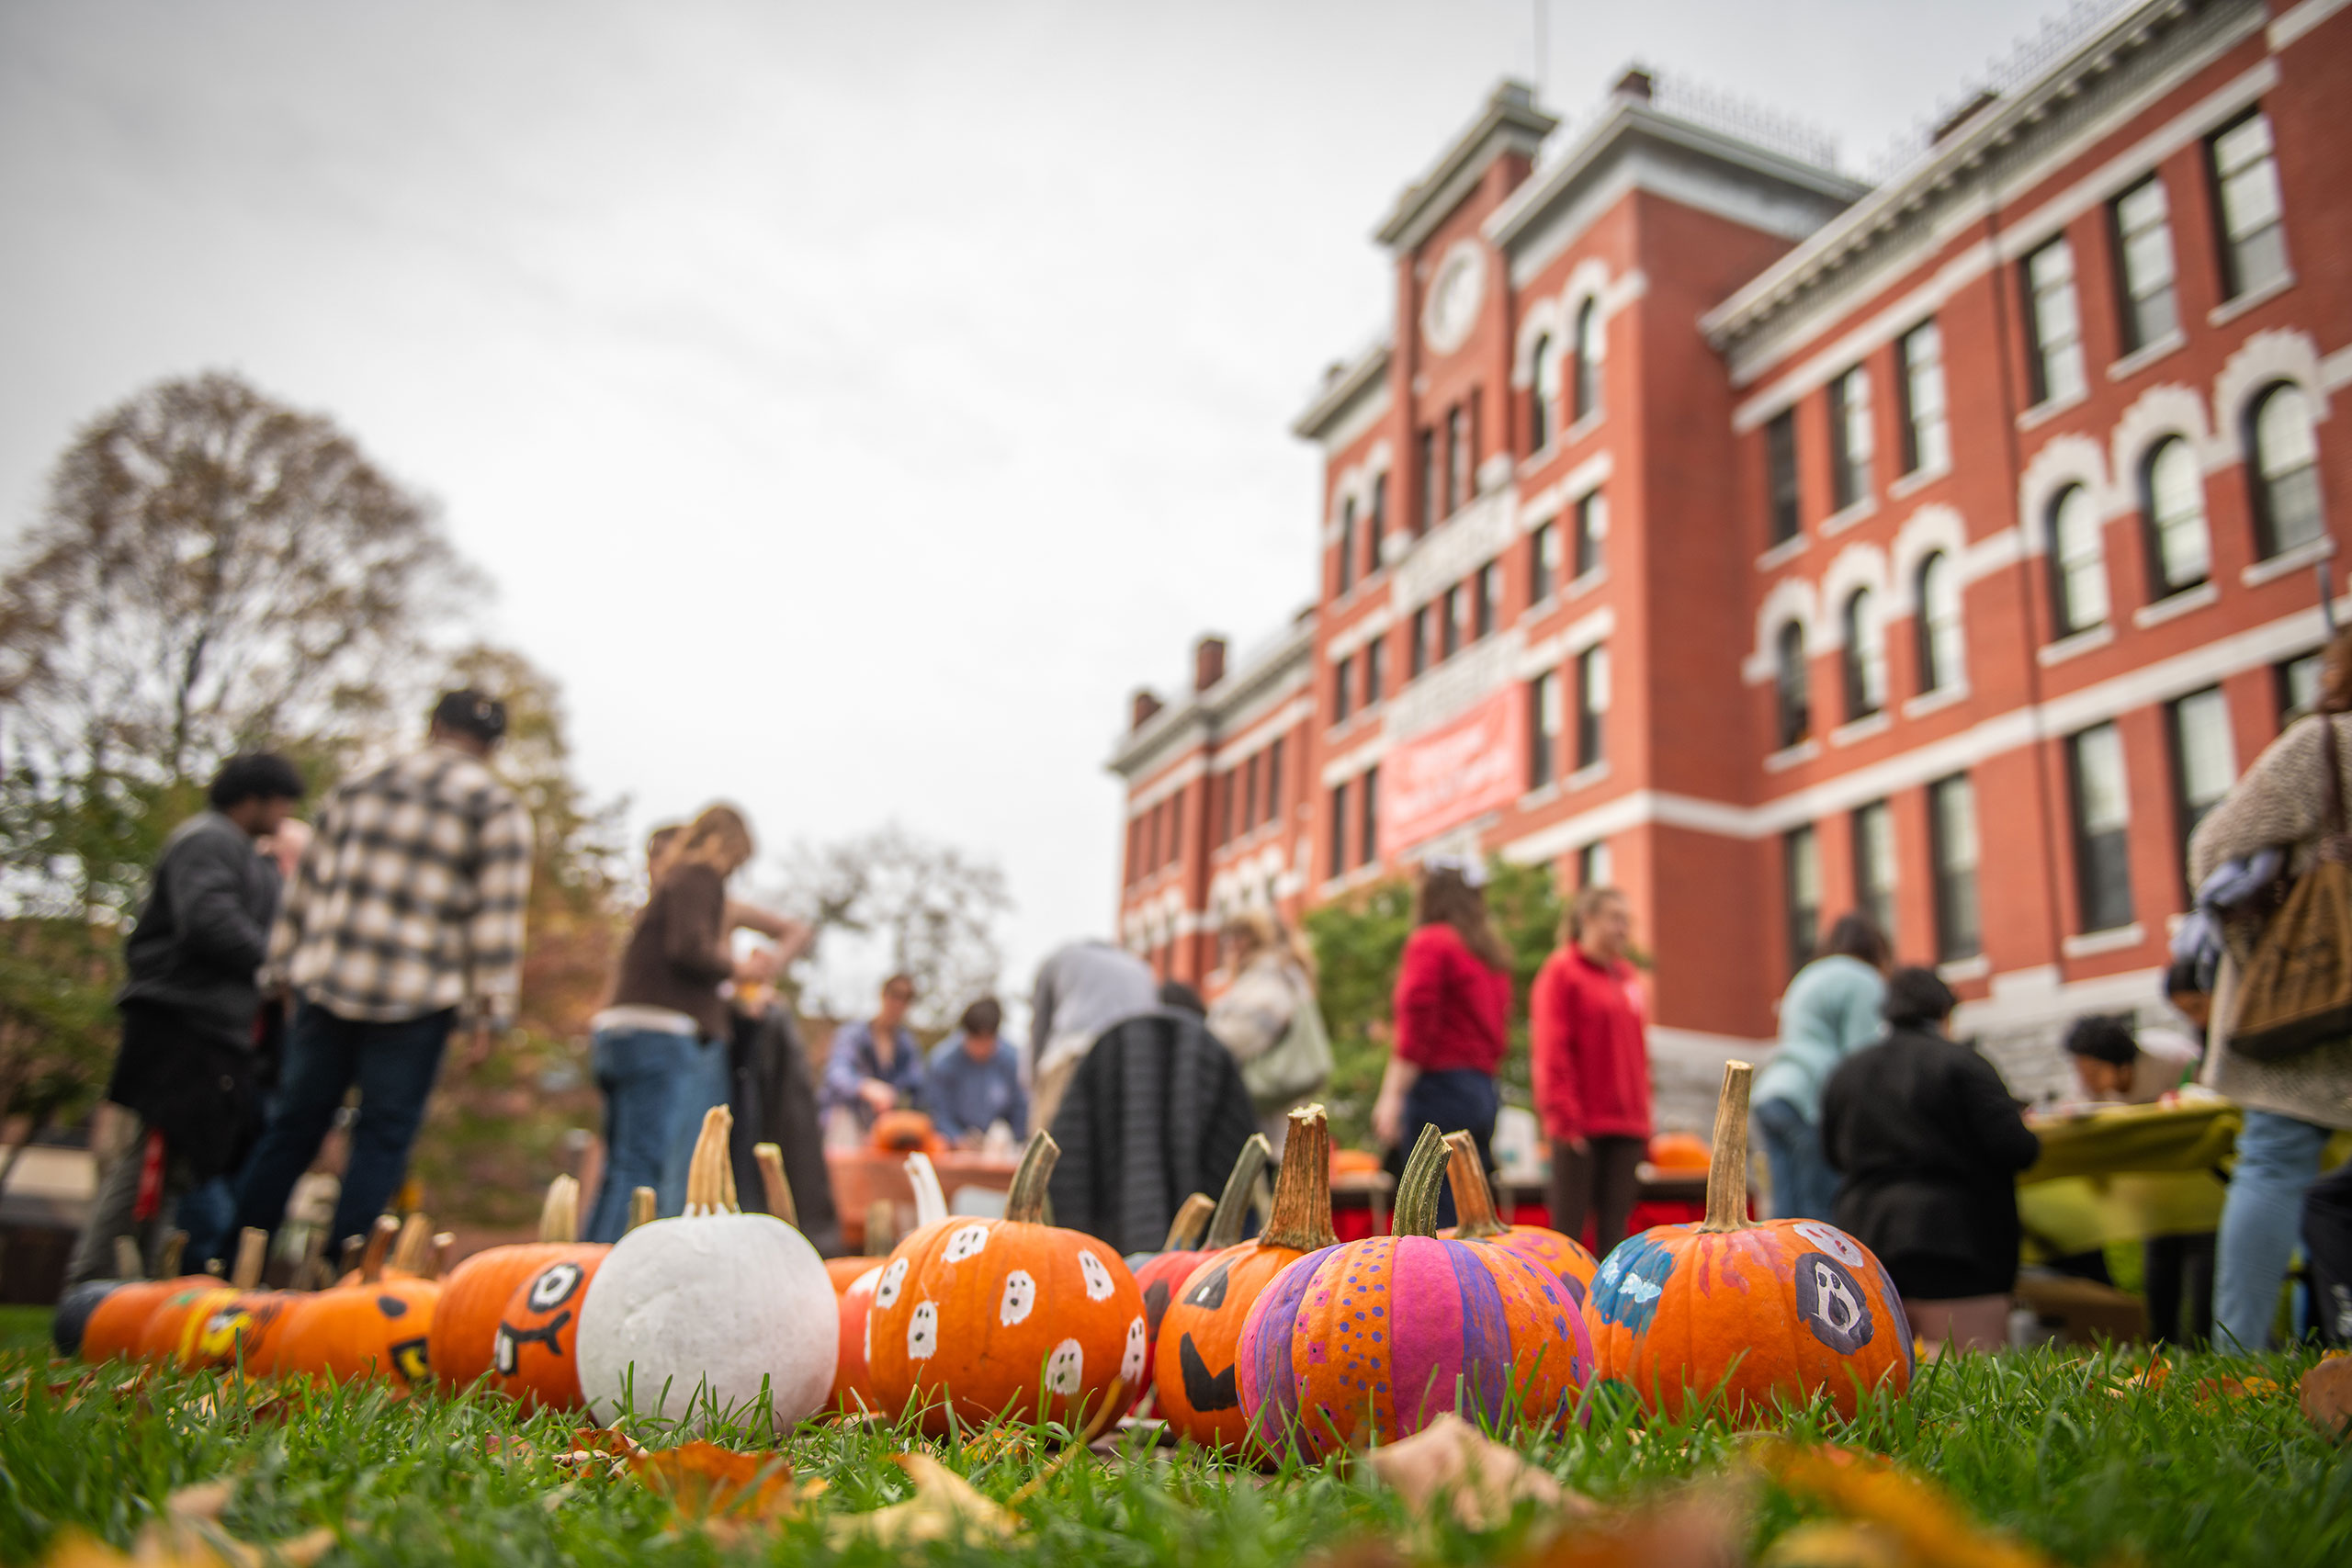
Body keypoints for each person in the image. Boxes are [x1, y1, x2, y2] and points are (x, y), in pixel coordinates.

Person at [233, 692, 531, 1261]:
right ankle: (343, 1274)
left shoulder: (360, 785)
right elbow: (496, 919)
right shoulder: (495, 805)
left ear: (434, 725)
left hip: (326, 980)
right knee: (382, 1137)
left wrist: (280, 975)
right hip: (416, 997)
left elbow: (305, 887)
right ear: (492, 747)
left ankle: (228, 1266)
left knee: (293, 1127)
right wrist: (487, 1014)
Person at [63, 754, 304, 1285]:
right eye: (281, 802)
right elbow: (208, 920)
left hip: (218, 1030)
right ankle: (96, 1280)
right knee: (151, 1156)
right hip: (180, 1023)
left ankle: (142, 1280)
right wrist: (278, 966)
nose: (286, 814)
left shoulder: (243, 853)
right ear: (253, 799)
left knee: (178, 1165)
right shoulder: (208, 840)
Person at [2190, 625, 2352, 1353]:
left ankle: (2238, 1353)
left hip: (2311, 998)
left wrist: (2260, 956)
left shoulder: (2323, 746)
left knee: (2274, 1158)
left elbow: (2215, 853)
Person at [583, 805, 805, 1239]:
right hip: (659, 1035)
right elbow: (690, 949)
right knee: (649, 1167)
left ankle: (586, 1269)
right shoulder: (700, 876)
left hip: (621, 1032)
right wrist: (740, 968)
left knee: (622, 1165)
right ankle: (619, 1269)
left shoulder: (673, 882)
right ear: (729, 846)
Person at [1821, 967, 2041, 1352]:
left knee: (1883, 1374)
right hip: (1959, 1241)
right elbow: (2018, 1149)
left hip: (1866, 1240)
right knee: (1972, 1378)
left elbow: (1832, 1156)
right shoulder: (1963, 1064)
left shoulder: (1847, 1072)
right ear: (1944, 1011)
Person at [1373, 859, 1513, 1230]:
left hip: (1441, 1089)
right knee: (1473, 1204)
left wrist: (1391, 1096)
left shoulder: (1431, 942)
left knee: (1433, 1206)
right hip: (1483, 1089)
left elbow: (1416, 1024)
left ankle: (1437, 1288)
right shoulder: (1487, 953)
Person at [1531, 885, 1652, 1257]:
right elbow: (1552, 1048)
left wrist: (1645, 1121)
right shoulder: (1562, 972)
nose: (1622, 929)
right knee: (1568, 1233)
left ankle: (1606, 1313)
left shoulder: (1628, 976)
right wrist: (1563, 1116)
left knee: (1616, 1234)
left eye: (1626, 921)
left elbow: (1638, 1057)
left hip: (1627, 1126)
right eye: (1615, 919)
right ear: (1588, 919)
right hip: (1580, 1126)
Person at [1753, 914, 1891, 1224]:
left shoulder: (1807, 975)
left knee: (1784, 1218)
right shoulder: (1863, 979)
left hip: (1772, 1095)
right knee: (1818, 1218)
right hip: (1810, 1102)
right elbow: (1861, 1058)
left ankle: (1776, 1275)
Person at [1205, 908, 1330, 1149]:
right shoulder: (1283, 975)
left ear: (1249, 939)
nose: (1229, 945)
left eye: (1235, 935)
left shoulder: (1270, 978)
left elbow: (1233, 1040)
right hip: (1278, 1115)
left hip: (1266, 1125)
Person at [1027, 939, 1159, 1135]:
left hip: (1073, 1053)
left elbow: (1039, 1028)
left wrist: (1036, 1084)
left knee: (1045, 1146)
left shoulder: (1060, 958)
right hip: (1133, 1065)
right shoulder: (1142, 969)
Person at [822, 974, 925, 1135]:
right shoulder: (853, 1034)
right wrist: (865, 1087)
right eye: (895, 996)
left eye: (906, 999)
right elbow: (836, 1074)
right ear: (883, 995)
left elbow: (916, 1084)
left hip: (884, 1126)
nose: (899, 1004)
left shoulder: (907, 1044)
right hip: (848, 1118)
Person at [923, 998, 1027, 1148]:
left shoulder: (1013, 1061)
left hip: (1000, 1148)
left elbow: (1021, 1108)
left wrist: (1013, 1140)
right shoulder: (942, 1062)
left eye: (987, 1041)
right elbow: (937, 1113)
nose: (981, 1048)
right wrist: (957, 1138)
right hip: (953, 1148)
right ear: (964, 1034)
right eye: (976, 1040)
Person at [2060, 1014, 2199, 1106]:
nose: (2086, 1081)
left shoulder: (2173, 1058)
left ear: (2123, 1067)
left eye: (2094, 1074)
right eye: (2082, 1072)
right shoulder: (2084, 1087)